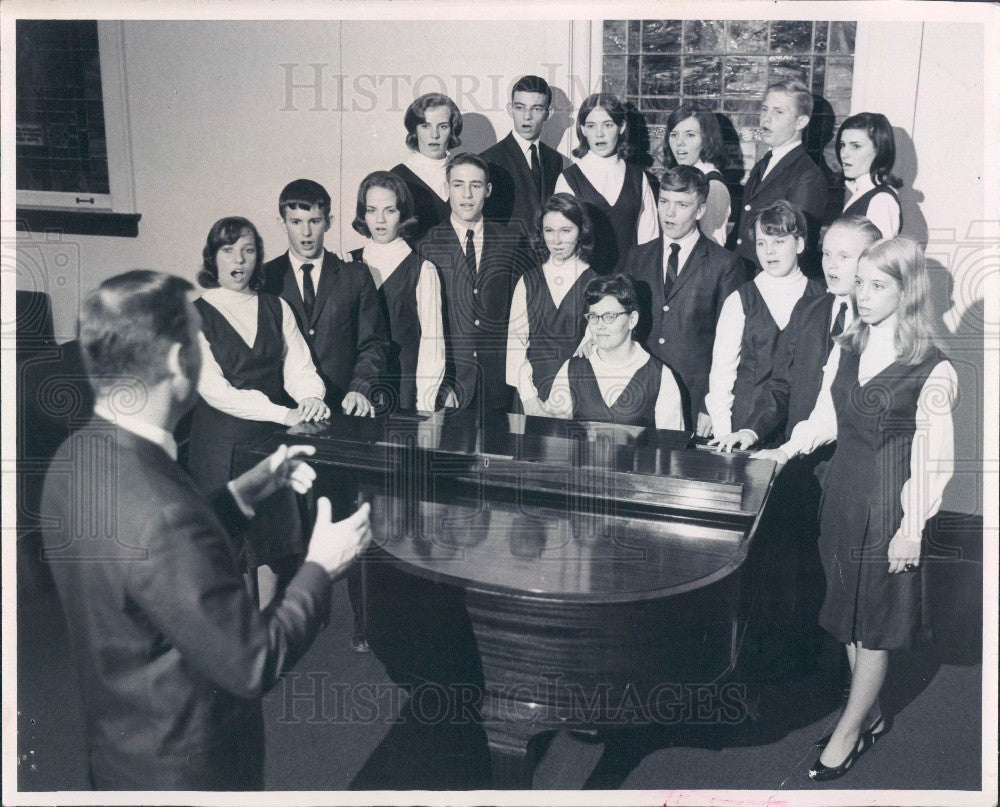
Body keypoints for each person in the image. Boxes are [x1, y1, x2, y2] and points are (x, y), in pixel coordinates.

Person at [40, 270, 371, 790]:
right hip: (188, 769)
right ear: (178, 363)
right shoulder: (164, 514)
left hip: (119, 751)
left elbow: (153, 563)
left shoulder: (75, 457)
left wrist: (247, 490)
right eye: (198, 340)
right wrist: (320, 566)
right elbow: (254, 661)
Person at [754, 237, 956, 780]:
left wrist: (911, 529)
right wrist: (783, 451)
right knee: (847, 616)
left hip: (889, 509)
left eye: (877, 285)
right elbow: (825, 418)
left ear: (907, 291)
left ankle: (849, 729)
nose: (861, 295)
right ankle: (870, 717)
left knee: (872, 624)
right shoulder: (848, 343)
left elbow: (933, 462)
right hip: (840, 497)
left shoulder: (932, 369)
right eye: (859, 282)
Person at [711, 215, 883, 678]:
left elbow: (836, 408)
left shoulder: (879, 323)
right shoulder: (813, 309)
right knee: (802, 563)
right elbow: (782, 384)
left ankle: (849, 686)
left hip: (850, 464)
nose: (830, 264)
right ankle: (814, 674)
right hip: (804, 459)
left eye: (843, 257)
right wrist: (751, 428)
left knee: (847, 578)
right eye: (827, 253)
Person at [187, 217, 330, 602]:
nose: (239, 259)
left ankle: (266, 635)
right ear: (212, 258)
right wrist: (285, 414)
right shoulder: (194, 314)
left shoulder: (276, 306)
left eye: (248, 250)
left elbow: (299, 367)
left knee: (270, 548)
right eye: (228, 250)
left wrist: (311, 397)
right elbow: (215, 391)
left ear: (258, 257)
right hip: (220, 447)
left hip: (267, 444)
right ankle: (236, 642)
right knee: (229, 550)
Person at [624, 165, 749, 431]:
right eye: (664, 201)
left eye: (682, 204)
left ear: (700, 210)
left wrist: (710, 404)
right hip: (640, 393)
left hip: (693, 397)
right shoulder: (637, 256)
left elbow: (730, 343)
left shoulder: (725, 264)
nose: (669, 213)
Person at [262, 178, 389, 417]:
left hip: (345, 407)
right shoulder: (266, 279)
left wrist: (360, 389)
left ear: (328, 222)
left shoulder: (356, 275)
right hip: (285, 411)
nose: (306, 232)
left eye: (315, 221)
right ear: (282, 223)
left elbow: (374, 343)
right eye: (296, 222)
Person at [703, 200, 825, 439]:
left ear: (800, 244)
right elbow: (721, 375)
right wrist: (724, 433)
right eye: (761, 242)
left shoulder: (821, 297)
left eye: (779, 242)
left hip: (799, 428)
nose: (769, 251)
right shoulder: (740, 300)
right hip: (744, 426)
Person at [417, 152, 529, 412]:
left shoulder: (511, 242)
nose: (467, 195)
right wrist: (439, 384)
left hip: (499, 386)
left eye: (475, 186)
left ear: (487, 190)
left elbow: (520, 316)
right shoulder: (426, 245)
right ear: (446, 189)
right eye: (458, 185)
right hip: (451, 385)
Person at [346, 171, 446, 412]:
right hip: (356, 392)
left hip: (403, 389)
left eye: (389, 211)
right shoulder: (348, 262)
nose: (379, 220)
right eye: (371, 210)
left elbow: (433, 345)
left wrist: (425, 405)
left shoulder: (423, 268)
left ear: (402, 214)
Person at [547, 274, 684, 429]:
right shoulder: (571, 370)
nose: (599, 325)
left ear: (632, 320)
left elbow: (670, 447)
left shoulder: (660, 376)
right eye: (594, 317)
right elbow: (554, 438)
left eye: (609, 317)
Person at [506, 193, 598, 415]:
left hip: (577, 398)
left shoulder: (596, 283)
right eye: (549, 231)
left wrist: (564, 400)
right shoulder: (528, 281)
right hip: (530, 397)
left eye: (566, 231)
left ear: (580, 231)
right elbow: (516, 346)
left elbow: (592, 347)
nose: (556, 240)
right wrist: (529, 399)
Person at [726, 80, 829, 275]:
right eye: (765, 109)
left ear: (801, 122)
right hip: (743, 275)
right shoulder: (764, 163)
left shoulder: (807, 175)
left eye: (778, 112)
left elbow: (794, 246)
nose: (766, 119)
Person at [554, 92, 659, 274]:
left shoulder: (637, 177)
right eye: (591, 126)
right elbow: (562, 242)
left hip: (629, 282)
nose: (599, 134)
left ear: (621, 127)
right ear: (583, 129)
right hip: (585, 284)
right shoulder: (569, 179)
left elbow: (649, 239)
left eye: (608, 125)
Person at [481, 74, 565, 238]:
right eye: (520, 107)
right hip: (509, 258)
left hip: (547, 255)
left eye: (537, 108)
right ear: (510, 109)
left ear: (548, 113)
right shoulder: (489, 159)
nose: (527, 116)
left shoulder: (555, 159)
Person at [390, 92, 463, 242]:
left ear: (452, 130)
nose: (434, 135)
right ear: (414, 131)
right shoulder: (397, 178)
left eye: (442, 126)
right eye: (425, 126)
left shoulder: (465, 172)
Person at [663, 104, 731, 245]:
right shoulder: (686, 176)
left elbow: (713, 245)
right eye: (674, 135)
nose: (679, 143)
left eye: (690, 135)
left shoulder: (713, 186)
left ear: (707, 139)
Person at [836, 112, 903, 238]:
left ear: (879, 150)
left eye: (856, 146)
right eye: (842, 145)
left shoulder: (881, 200)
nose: (844, 154)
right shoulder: (861, 192)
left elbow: (880, 256)